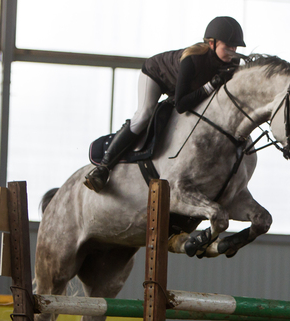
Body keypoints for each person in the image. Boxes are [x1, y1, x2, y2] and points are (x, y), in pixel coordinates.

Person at [84, 16, 246, 193]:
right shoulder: (192, 60)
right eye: (228, 46)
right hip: (156, 75)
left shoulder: (232, 63)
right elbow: (181, 104)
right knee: (144, 115)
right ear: (211, 43)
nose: (232, 52)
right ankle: (103, 168)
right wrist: (211, 85)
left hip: (182, 87)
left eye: (235, 47)